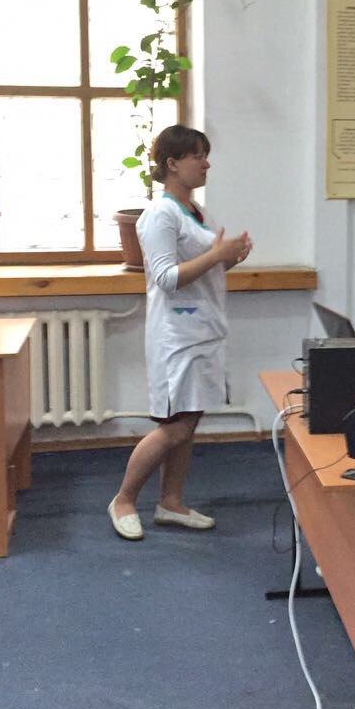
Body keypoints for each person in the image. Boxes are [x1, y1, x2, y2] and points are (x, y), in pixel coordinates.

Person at [107, 125, 253, 541]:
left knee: (189, 424)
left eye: (206, 155)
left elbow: (206, 264)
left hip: (203, 330)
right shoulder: (160, 214)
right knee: (173, 426)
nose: (206, 164)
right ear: (172, 164)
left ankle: (171, 502)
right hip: (177, 335)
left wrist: (230, 257)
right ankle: (123, 500)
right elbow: (166, 277)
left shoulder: (198, 212)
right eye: (197, 156)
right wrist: (216, 254)